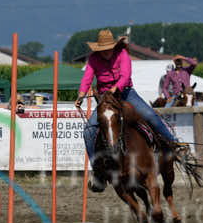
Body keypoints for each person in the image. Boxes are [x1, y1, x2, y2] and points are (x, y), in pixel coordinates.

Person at [76, 29, 189, 192]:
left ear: (113, 47)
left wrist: (116, 88)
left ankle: (174, 145)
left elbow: (125, 75)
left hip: (126, 93)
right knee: (89, 131)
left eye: (108, 49)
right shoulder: (93, 59)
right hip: (105, 98)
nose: (106, 52)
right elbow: (87, 78)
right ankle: (98, 170)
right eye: (103, 49)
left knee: (150, 114)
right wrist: (81, 94)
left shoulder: (122, 54)